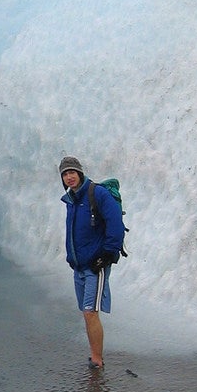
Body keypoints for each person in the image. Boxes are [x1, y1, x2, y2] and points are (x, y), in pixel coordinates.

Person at [59, 155, 125, 370]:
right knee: (87, 312)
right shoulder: (71, 200)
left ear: (80, 172)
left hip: (96, 265)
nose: (69, 177)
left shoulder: (98, 194)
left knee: (90, 311)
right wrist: (71, 258)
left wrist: (106, 255)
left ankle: (97, 360)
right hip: (79, 266)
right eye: (65, 174)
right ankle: (94, 355)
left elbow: (115, 224)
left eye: (72, 172)